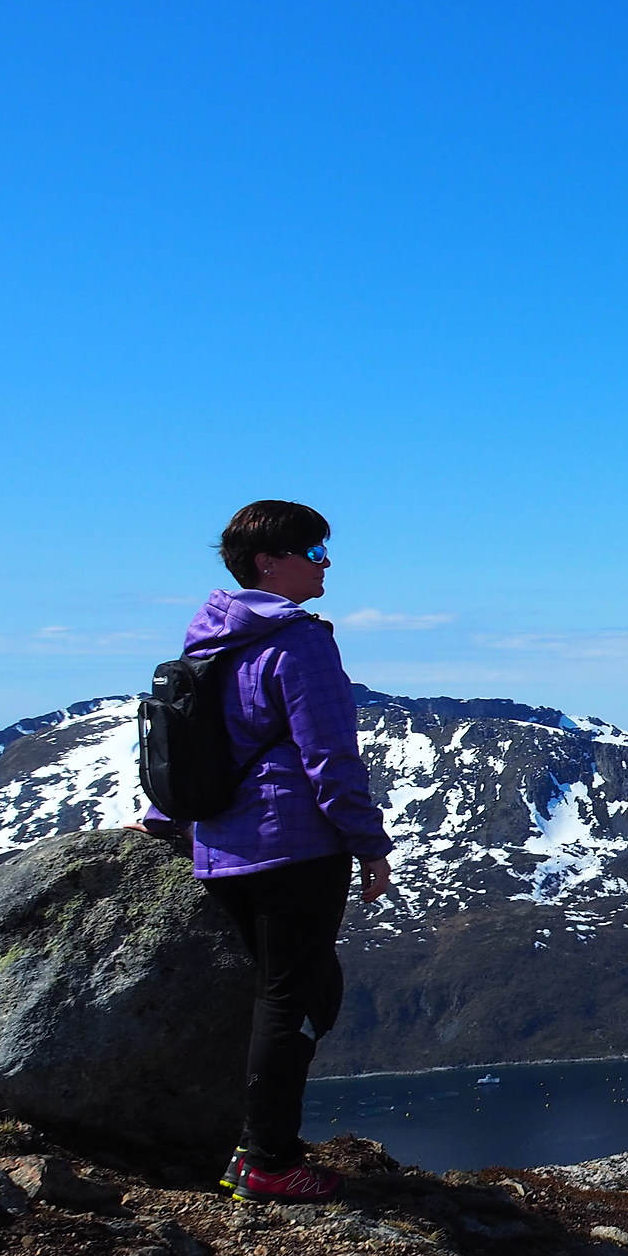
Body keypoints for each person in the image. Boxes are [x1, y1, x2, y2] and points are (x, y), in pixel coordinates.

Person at [140, 500, 393, 1204]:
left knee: (304, 990)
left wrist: (166, 815)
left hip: (221, 848)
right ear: (268, 563)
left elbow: (195, 738)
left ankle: (258, 1144)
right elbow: (330, 756)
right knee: (292, 1000)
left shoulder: (210, 638)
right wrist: (369, 846)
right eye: (313, 551)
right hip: (293, 848)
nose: (325, 562)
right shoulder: (300, 642)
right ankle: (269, 1161)